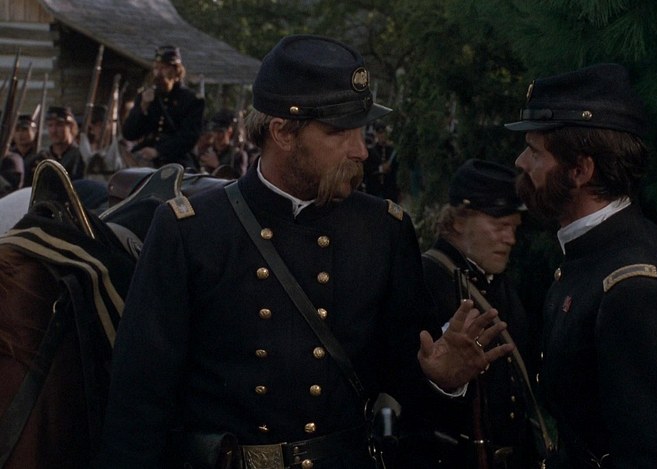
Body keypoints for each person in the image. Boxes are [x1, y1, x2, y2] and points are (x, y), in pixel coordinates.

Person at [94, 34, 513, 468]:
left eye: (361, 130)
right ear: (282, 133)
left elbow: (405, 394)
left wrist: (441, 380)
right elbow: (138, 403)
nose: (361, 150)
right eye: (340, 132)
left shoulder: (384, 231)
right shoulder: (191, 231)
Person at [506, 63, 657, 467]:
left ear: (581, 170)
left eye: (535, 151)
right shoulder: (596, 253)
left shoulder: (634, 291)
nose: (520, 162)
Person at [411, 158, 539, 468]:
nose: (510, 239)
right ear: (459, 221)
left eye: (514, 227)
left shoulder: (497, 283)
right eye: (500, 226)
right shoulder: (423, 281)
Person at [122, 45, 205, 170]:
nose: (158, 73)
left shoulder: (192, 100)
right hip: (145, 154)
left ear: (176, 71)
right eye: (156, 68)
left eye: (164, 68)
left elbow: (189, 137)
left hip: (176, 157)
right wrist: (143, 107)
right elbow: (129, 133)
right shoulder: (147, 95)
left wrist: (158, 151)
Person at [37, 106, 85, 180]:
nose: (53, 130)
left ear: (71, 127)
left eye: (59, 125)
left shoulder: (80, 157)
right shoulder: (42, 158)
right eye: (50, 125)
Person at [198, 108, 248, 178]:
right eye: (215, 131)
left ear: (229, 131)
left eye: (220, 132)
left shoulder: (238, 156)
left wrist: (217, 165)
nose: (217, 136)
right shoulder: (206, 151)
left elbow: (238, 180)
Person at [362, 122, 399, 201]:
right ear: (376, 134)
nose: (382, 135)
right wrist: (380, 169)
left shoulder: (391, 150)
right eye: (380, 133)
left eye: (383, 132)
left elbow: (396, 170)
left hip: (390, 189)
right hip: (375, 190)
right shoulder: (371, 151)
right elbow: (367, 169)